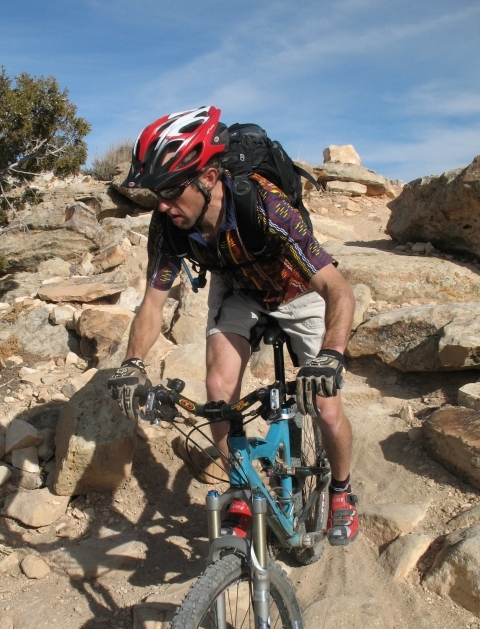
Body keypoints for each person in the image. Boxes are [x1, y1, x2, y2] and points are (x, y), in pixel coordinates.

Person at [108, 106, 358, 545]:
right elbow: (153, 302)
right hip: (238, 288)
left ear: (207, 176)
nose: (162, 205)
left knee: (326, 408)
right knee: (219, 392)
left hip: (295, 289)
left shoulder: (264, 203)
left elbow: (338, 289)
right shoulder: (168, 226)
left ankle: (341, 491)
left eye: (170, 191)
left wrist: (331, 356)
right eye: (156, 195)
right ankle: (242, 487)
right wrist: (132, 363)